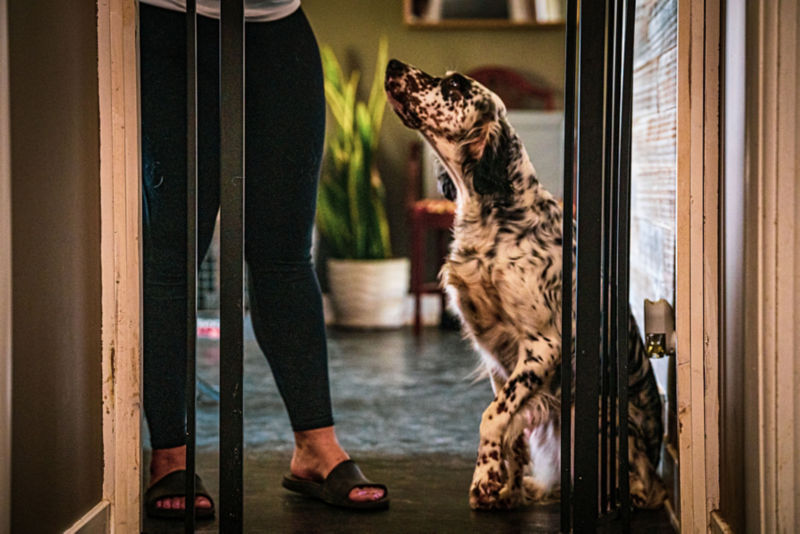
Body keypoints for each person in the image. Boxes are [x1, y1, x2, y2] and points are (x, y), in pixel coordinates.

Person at [139, 0, 389, 518]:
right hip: (170, 29)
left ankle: (316, 451)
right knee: (172, 256)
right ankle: (168, 458)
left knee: (285, 255)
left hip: (276, 31)